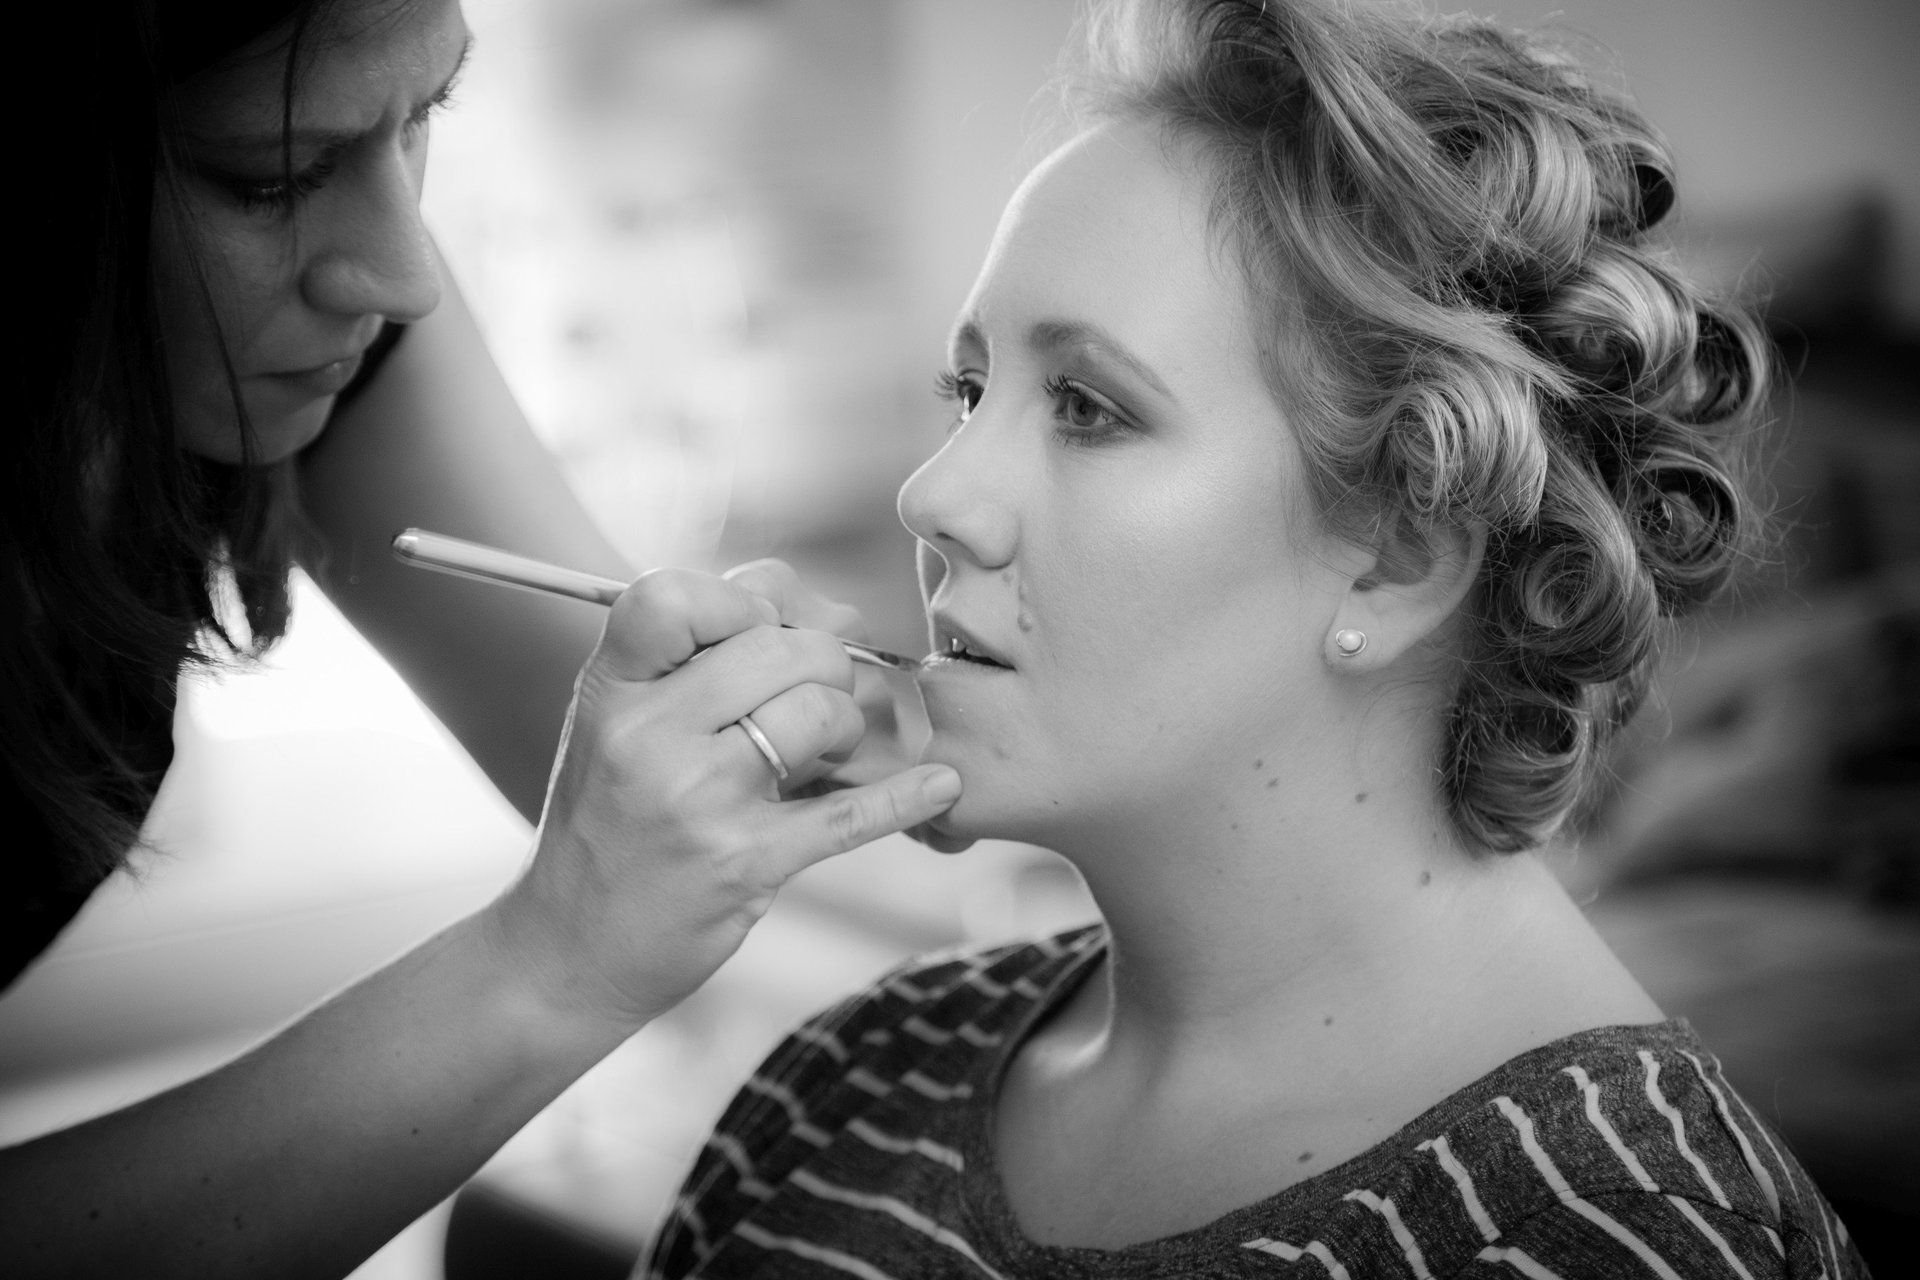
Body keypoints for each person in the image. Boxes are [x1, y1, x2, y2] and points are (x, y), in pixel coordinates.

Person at [642, 1, 1871, 1276]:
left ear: (1399, 555)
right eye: (969, 390)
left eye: (1087, 406)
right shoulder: (846, 1075)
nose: (932, 494)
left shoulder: (1622, 1235)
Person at [0, 1, 959, 1275]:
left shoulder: (337, 285)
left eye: (426, 115)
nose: (408, 276)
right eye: (272, 177)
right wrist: (548, 961)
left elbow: (627, 733)